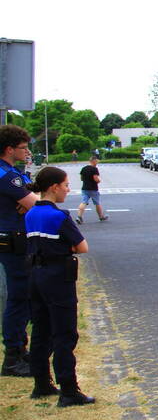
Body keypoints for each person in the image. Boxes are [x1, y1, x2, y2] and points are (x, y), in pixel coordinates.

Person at [25, 167, 93, 405]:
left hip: (35, 276)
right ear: (54, 187)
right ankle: (69, 390)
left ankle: (41, 383)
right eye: (65, 185)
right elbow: (82, 247)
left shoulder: (30, 213)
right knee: (64, 333)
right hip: (57, 277)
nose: (68, 189)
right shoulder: (59, 216)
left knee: (41, 331)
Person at [0, 126, 38, 377]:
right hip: (13, 241)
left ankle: (19, 349)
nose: (27, 152)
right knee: (18, 297)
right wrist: (27, 201)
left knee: (24, 297)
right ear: (9, 149)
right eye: (23, 147)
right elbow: (33, 204)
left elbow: (29, 199)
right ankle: (13, 356)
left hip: (18, 239)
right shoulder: (6, 175)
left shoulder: (13, 172)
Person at [76, 155, 108, 223]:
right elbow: (95, 178)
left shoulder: (84, 168)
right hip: (93, 188)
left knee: (84, 202)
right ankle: (101, 217)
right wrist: (99, 181)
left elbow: (81, 178)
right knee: (97, 203)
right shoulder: (94, 169)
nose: (97, 162)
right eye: (97, 161)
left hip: (84, 188)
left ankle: (79, 216)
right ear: (94, 161)